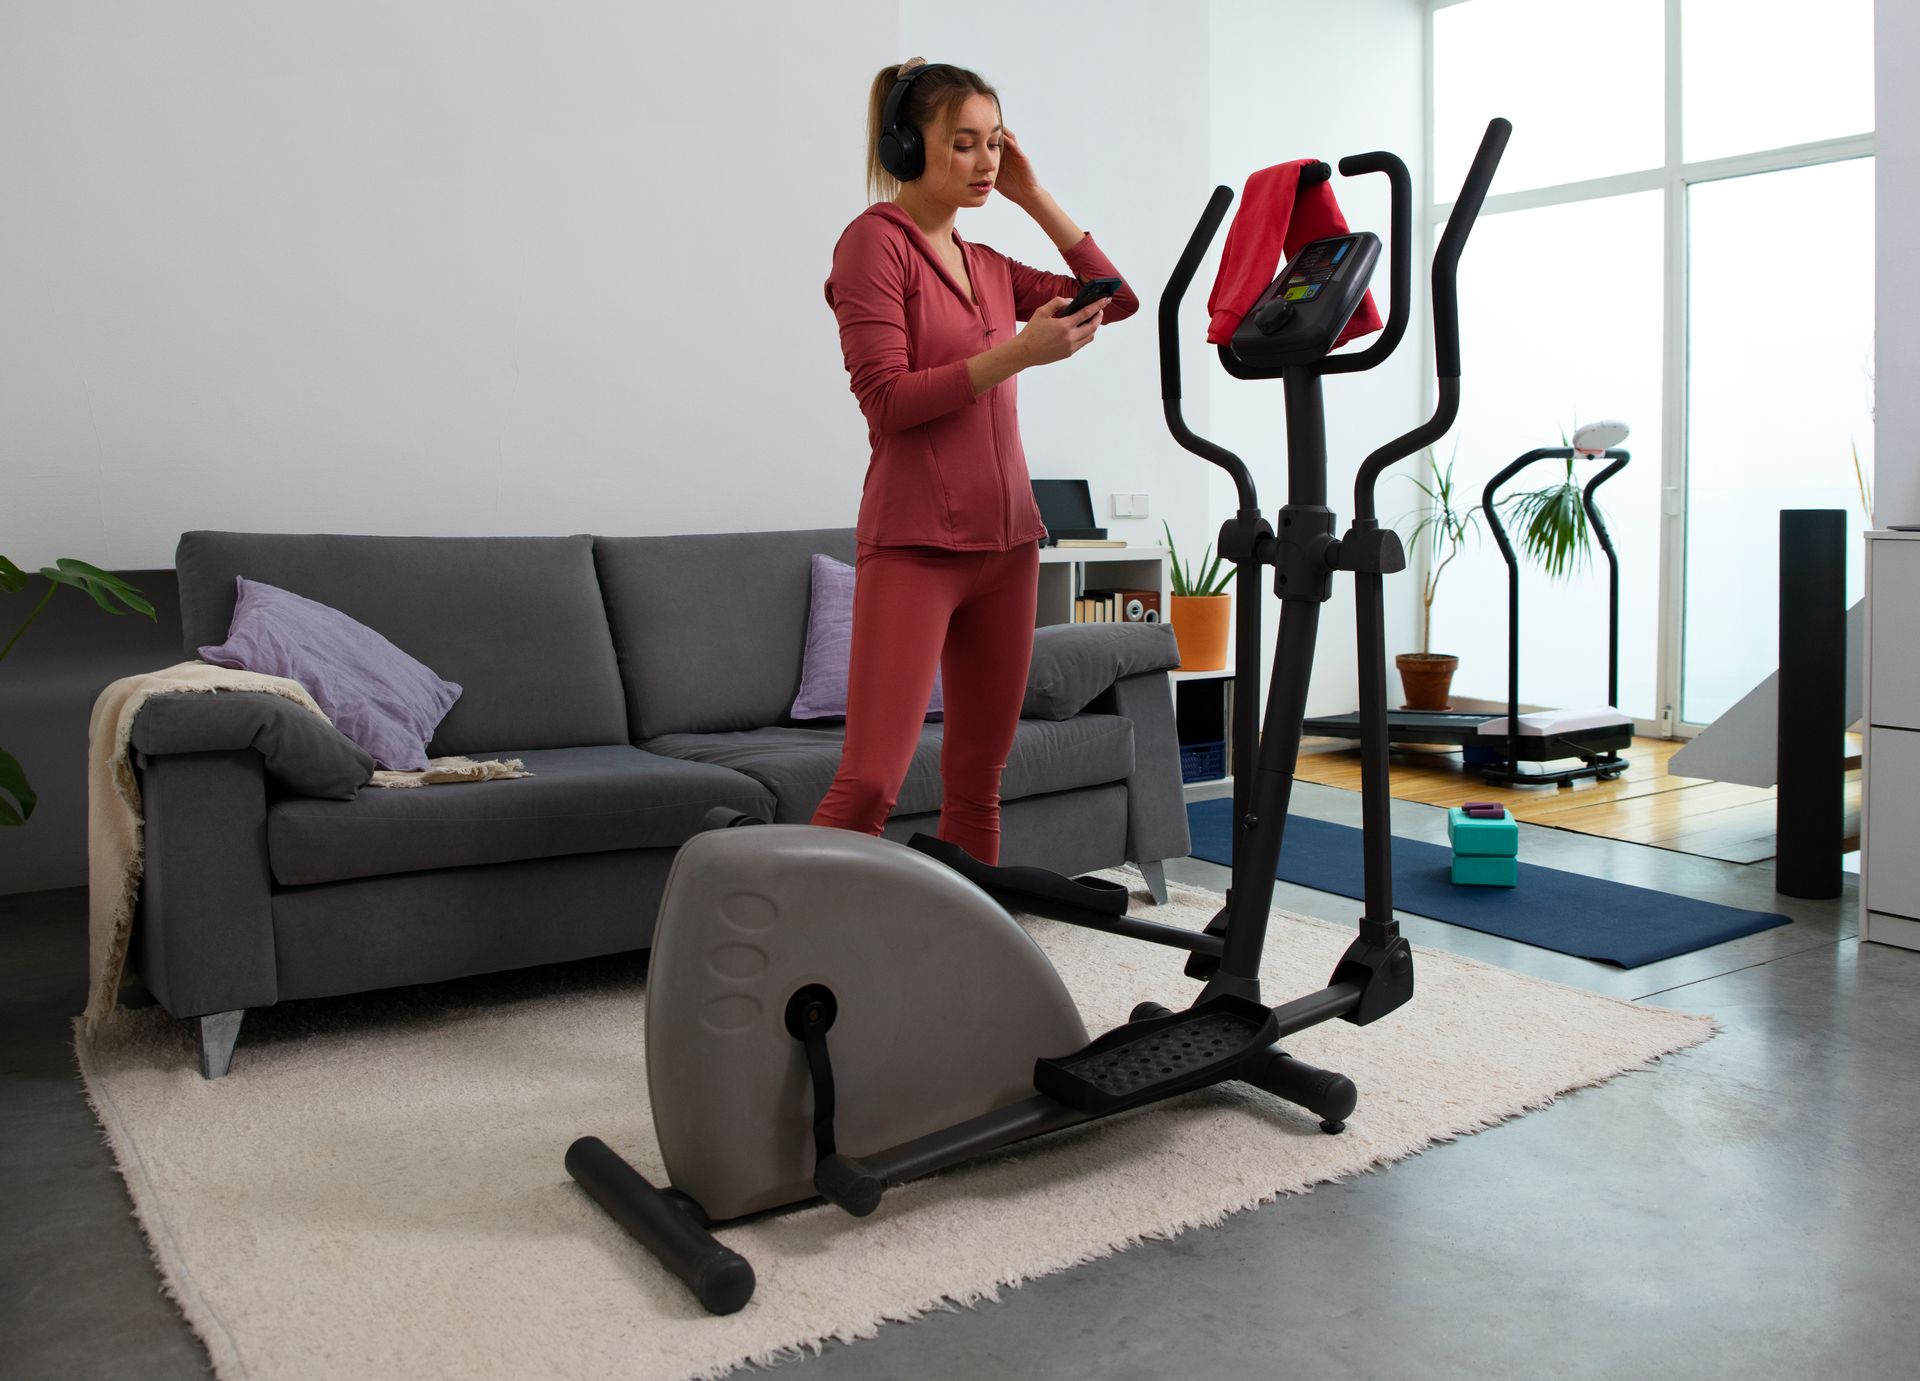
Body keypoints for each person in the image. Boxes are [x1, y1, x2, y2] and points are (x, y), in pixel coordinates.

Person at [810, 58, 1139, 865]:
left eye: (994, 143)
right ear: (904, 146)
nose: (985, 160)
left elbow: (1116, 296)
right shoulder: (871, 246)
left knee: (978, 782)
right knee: (872, 785)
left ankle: (963, 967)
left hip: (1008, 547)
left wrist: (1033, 195)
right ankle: (789, 937)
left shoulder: (990, 266)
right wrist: (1017, 354)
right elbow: (887, 400)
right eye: (963, 143)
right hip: (915, 546)